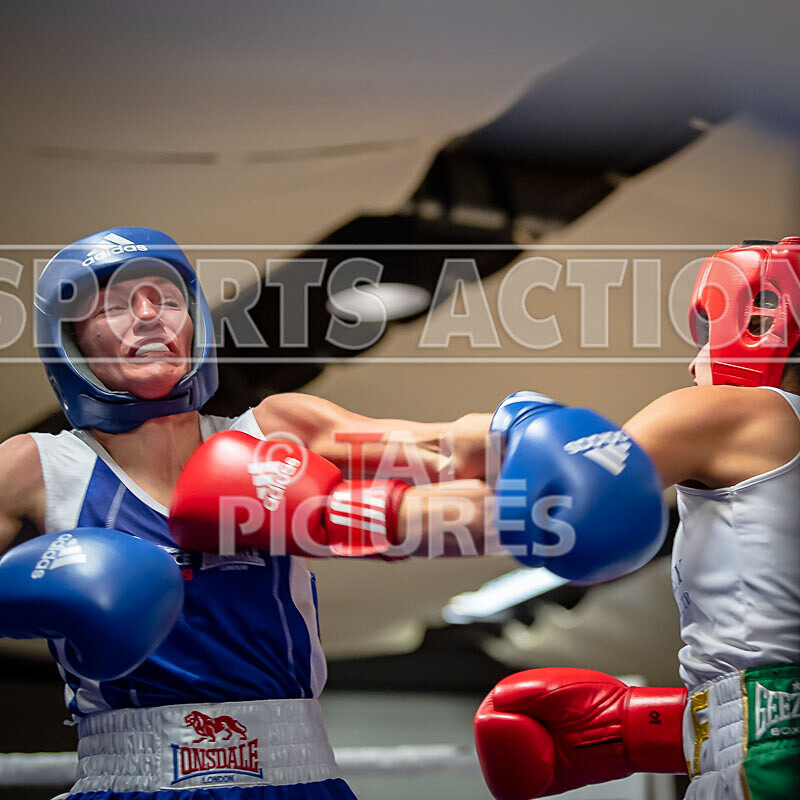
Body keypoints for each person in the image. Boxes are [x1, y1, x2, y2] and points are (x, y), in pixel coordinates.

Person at [0, 226, 667, 800]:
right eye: (116, 303)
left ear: (194, 322)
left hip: (299, 771)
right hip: (130, 777)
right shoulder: (36, 468)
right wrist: (34, 589)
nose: (148, 315)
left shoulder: (274, 430)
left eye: (167, 298)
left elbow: (432, 451)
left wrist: (531, 447)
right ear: (71, 341)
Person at [474, 238, 800, 800]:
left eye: (705, 333)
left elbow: (574, 501)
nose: (693, 361)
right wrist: (652, 728)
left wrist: (520, 426)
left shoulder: (738, 411)